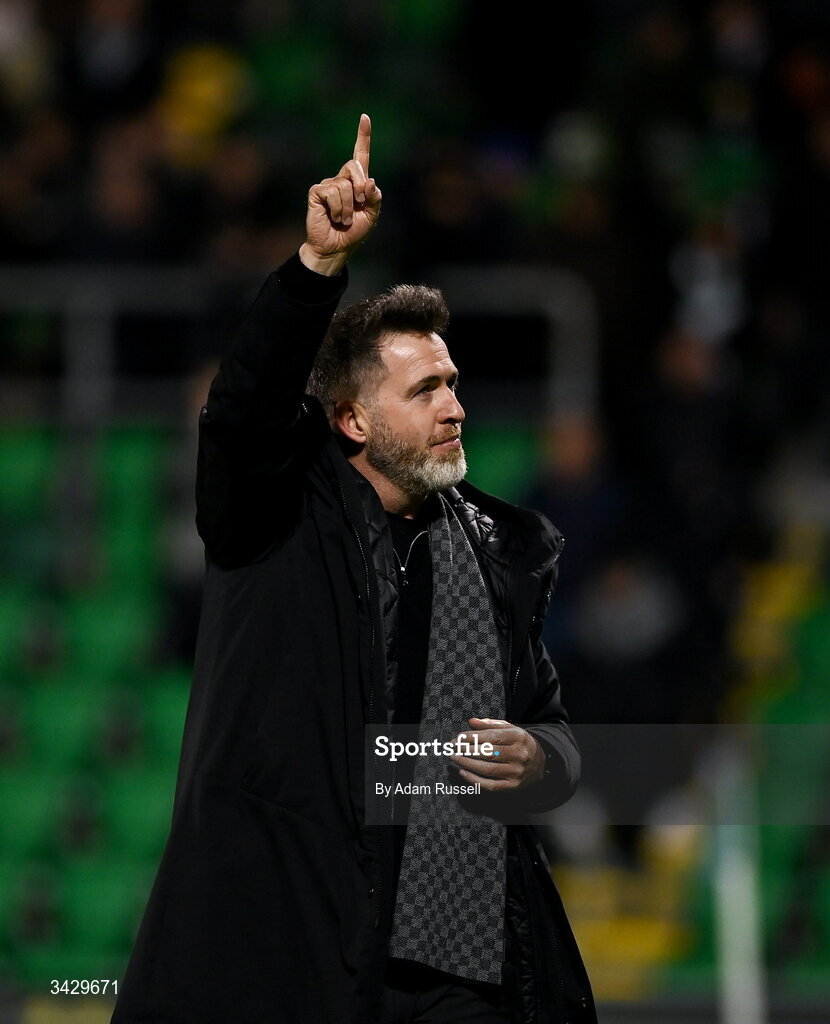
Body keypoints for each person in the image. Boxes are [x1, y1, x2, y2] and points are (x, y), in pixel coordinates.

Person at [111, 115, 596, 1024]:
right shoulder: (274, 514)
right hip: (287, 940)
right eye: (425, 390)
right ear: (353, 422)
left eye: (452, 383)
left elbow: (550, 741)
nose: (455, 407)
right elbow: (243, 411)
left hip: (452, 954)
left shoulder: (500, 551)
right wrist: (315, 269)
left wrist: (539, 761)